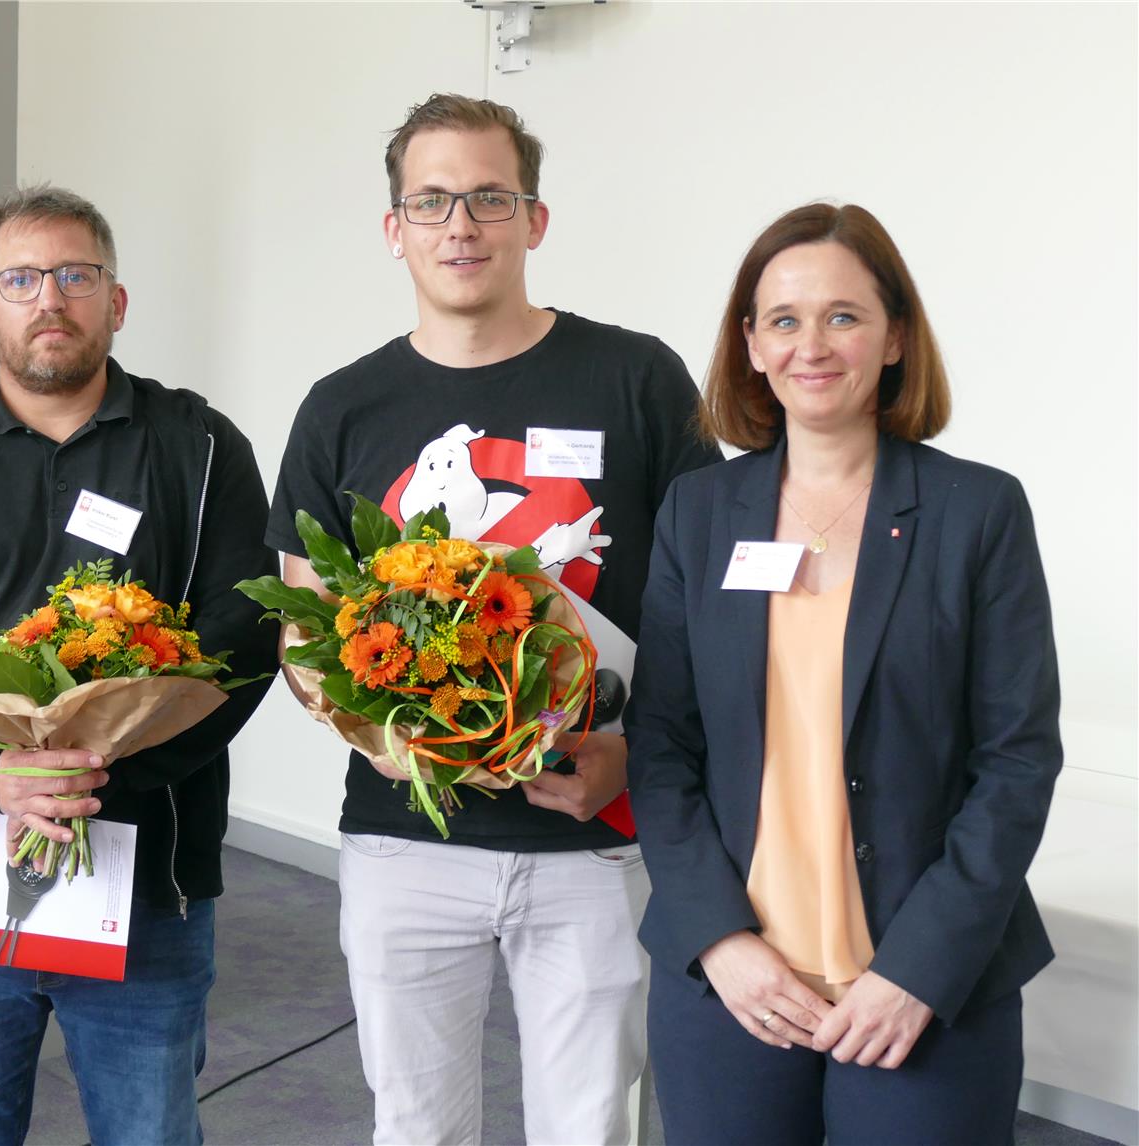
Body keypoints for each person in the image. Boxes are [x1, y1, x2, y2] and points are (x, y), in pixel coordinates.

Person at [267, 94, 722, 1145]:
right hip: (405, 840)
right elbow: (305, 627)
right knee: (417, 1127)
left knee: (588, 1127)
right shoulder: (341, 407)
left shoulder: (636, 378)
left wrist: (636, 757)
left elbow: (707, 607)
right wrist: (393, 738)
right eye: (431, 202)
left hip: (595, 834)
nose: (460, 225)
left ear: (534, 219)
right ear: (395, 229)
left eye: (489, 197)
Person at [0, 184, 277, 1146]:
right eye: (21, 279)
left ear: (117, 301)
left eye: (76, 275)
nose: (50, 299)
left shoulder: (200, 448)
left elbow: (242, 637)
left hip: (148, 882)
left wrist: (90, 770)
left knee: (150, 1134)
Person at [625, 202, 1062, 1145]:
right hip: (735, 984)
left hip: (921, 989)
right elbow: (659, 746)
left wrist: (919, 971)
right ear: (750, 344)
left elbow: (1017, 760)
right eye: (783, 319)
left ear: (896, 335)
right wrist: (719, 939)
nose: (811, 345)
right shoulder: (697, 512)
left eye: (844, 316)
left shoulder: (978, 511)